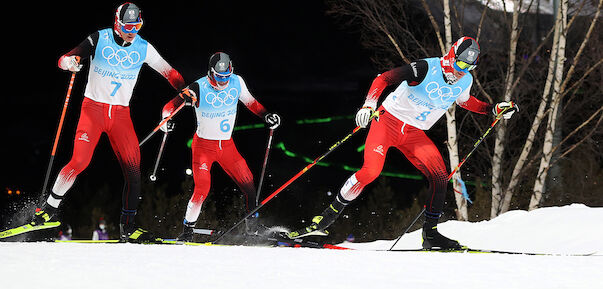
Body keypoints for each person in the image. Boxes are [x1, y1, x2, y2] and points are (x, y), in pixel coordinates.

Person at [288, 37, 518, 250]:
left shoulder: (465, 80)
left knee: (439, 176)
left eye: (469, 68)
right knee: (371, 172)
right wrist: (369, 105)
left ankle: (430, 235)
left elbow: (465, 101)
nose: (463, 71)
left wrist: (493, 109)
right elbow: (383, 78)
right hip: (386, 123)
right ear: (451, 57)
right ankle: (324, 221)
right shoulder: (427, 68)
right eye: (460, 65)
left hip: (414, 133)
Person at [31, 3, 186, 243]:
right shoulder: (100, 38)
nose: (132, 31)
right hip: (92, 110)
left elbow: (171, 73)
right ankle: (48, 211)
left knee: (134, 171)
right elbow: (64, 59)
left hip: (121, 116)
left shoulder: (144, 48)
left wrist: (183, 92)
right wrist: (70, 63)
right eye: (128, 26)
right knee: (79, 161)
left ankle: (128, 227)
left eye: (137, 25)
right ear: (117, 23)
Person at [160, 52, 281, 242]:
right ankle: (187, 232)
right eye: (219, 76)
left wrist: (266, 115)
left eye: (227, 76)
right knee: (202, 190)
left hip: (227, 146)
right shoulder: (198, 87)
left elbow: (251, 103)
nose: (224, 80)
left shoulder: (237, 82)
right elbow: (169, 107)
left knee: (249, 184)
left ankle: (252, 228)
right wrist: (166, 120)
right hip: (203, 148)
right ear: (210, 72)